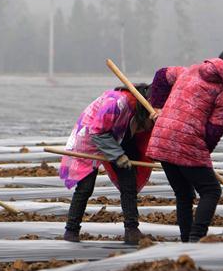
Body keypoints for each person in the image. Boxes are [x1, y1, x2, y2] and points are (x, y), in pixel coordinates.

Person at [146, 45, 223, 243]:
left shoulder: (190, 70)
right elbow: (215, 130)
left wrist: (159, 108)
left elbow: (161, 75)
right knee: (211, 191)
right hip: (187, 142)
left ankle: (186, 240)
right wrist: (203, 157)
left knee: (184, 193)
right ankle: (197, 238)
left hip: (162, 139)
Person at [60, 84, 156, 244]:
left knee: (128, 181)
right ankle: (71, 230)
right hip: (89, 138)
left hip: (116, 135)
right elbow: (97, 132)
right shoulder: (116, 103)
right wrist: (117, 155)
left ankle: (132, 230)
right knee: (85, 188)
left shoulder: (134, 111)